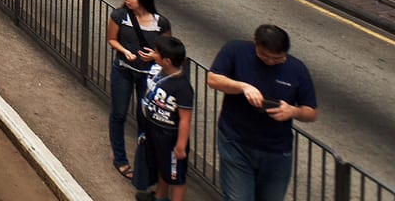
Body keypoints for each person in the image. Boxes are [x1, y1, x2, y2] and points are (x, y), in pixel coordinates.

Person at [206, 24, 317, 201]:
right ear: (255, 44)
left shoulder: (297, 70)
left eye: (277, 58)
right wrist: (243, 87)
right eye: (265, 56)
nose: (270, 61)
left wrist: (292, 111)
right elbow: (213, 79)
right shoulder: (235, 50)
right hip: (236, 142)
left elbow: (311, 112)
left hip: (277, 151)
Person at [106, 0, 172, 181]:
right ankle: (120, 159)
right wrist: (124, 51)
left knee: (145, 119)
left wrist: (154, 56)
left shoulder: (160, 23)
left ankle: (144, 163)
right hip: (124, 71)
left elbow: (167, 50)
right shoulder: (120, 16)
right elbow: (111, 39)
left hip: (149, 78)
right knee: (119, 114)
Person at [135, 34, 194, 201]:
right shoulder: (160, 73)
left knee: (176, 177)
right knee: (163, 168)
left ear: (167, 61)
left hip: (171, 137)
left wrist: (181, 145)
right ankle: (160, 197)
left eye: (157, 53)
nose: (154, 54)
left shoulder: (182, 87)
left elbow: (185, 119)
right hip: (155, 130)